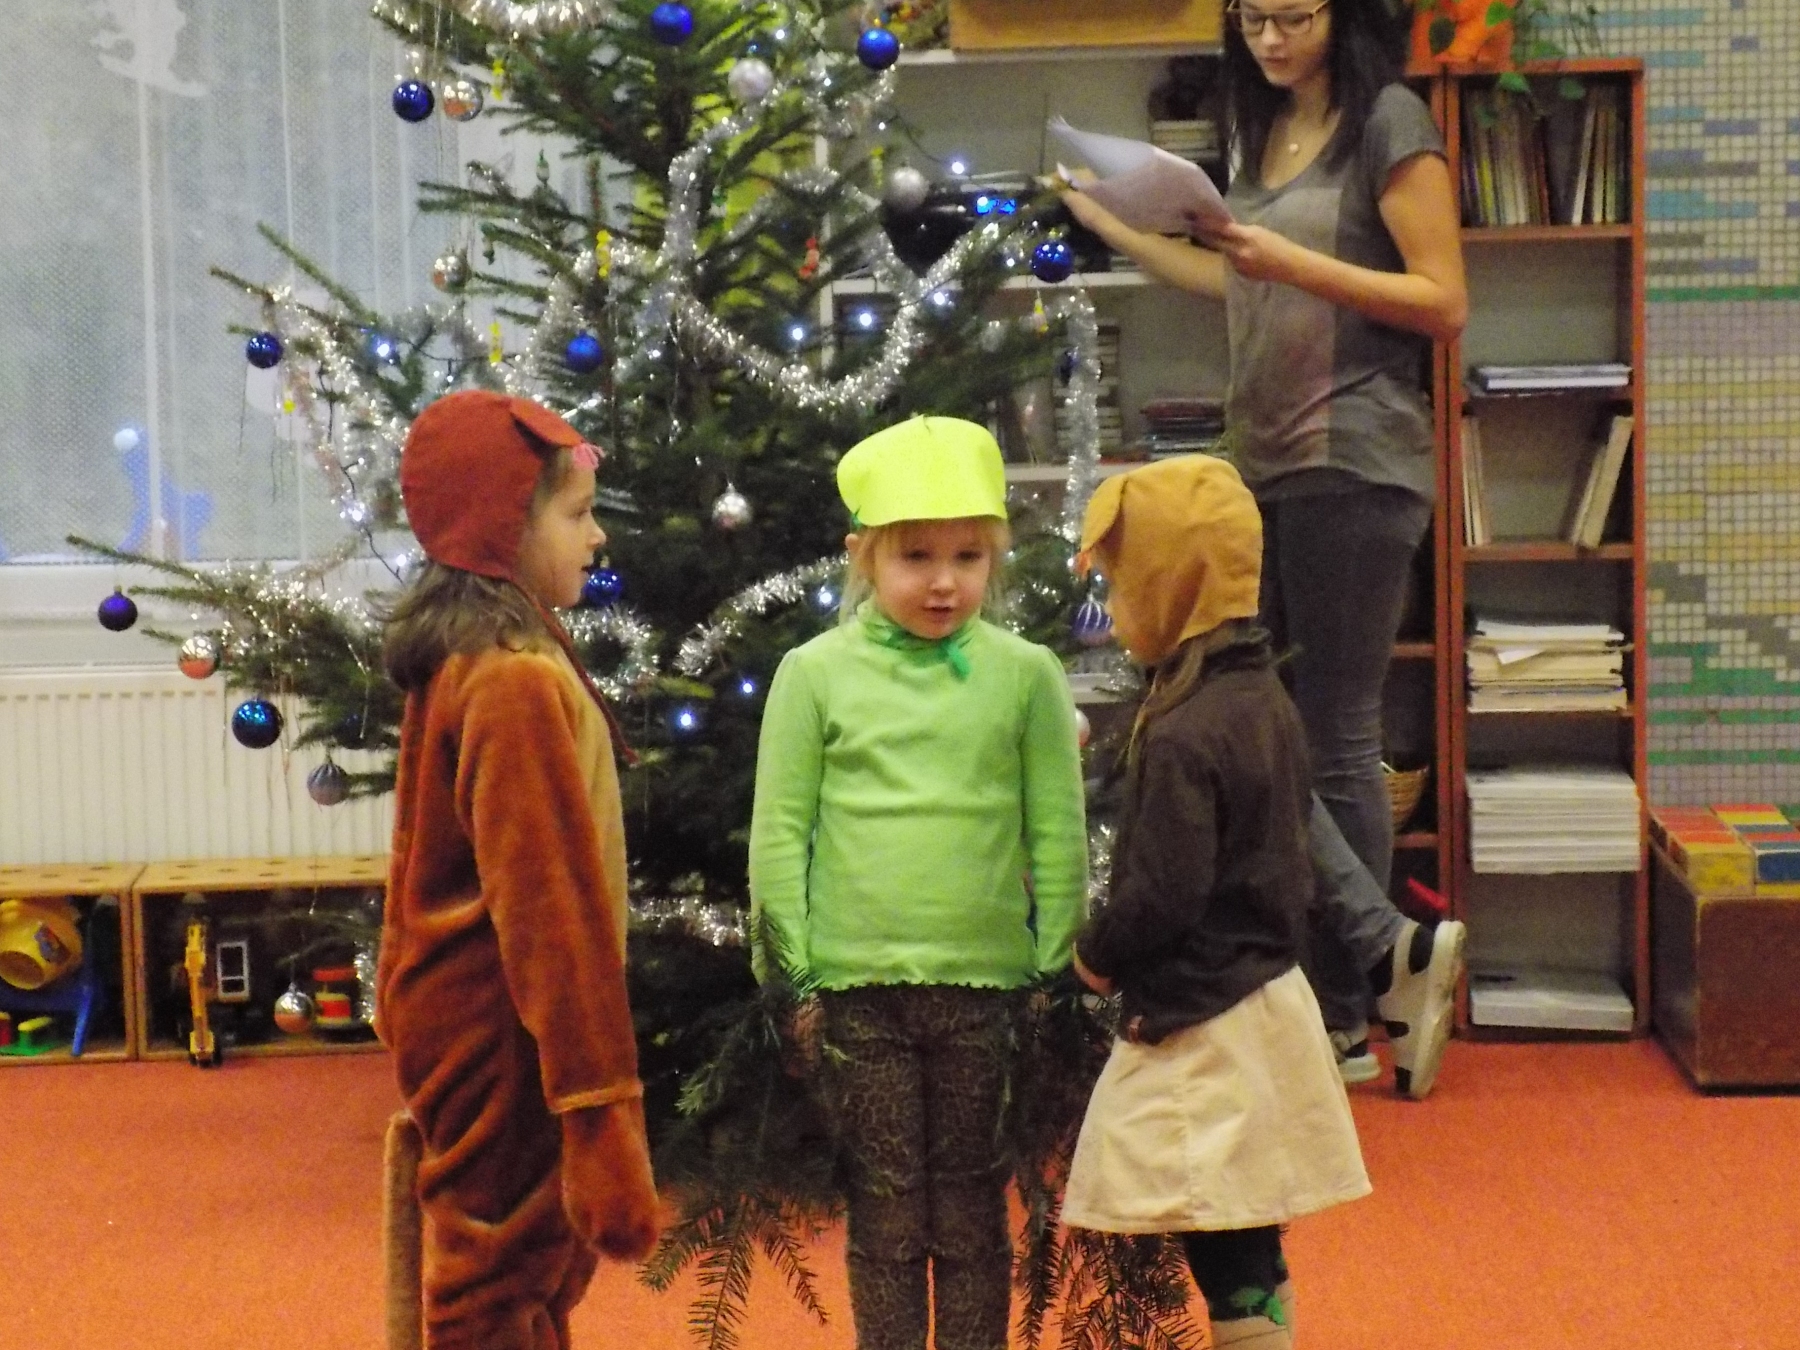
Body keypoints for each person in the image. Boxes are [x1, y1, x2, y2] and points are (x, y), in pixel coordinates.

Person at [1061, 0, 1468, 1098]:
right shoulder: (1263, 128)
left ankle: (1349, 1010)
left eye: (1295, 15)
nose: (1271, 38)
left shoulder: (1389, 118)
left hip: (1356, 458)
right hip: (1266, 462)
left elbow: (1443, 301)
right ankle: (1376, 962)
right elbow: (1239, 281)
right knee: (1263, 728)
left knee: (1329, 736)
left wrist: (1288, 259)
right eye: (1252, 18)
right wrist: (1113, 226)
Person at [748, 415, 1088, 1350]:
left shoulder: (1026, 676)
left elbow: (1057, 833)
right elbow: (779, 833)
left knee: (974, 1210)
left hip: (987, 991)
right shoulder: (812, 675)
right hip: (857, 995)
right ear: (862, 555)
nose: (945, 581)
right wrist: (788, 978)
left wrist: (1057, 975)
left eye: (969, 557)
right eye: (917, 557)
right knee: (888, 1211)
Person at [1061, 454, 1370, 1350]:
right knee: (1245, 1219)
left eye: (1122, 587)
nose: (1113, 609)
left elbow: (1162, 893)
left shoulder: (1184, 731)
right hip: (1265, 995)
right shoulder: (1261, 697)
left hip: (1204, 1017)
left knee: (1217, 1221)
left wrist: (1093, 958)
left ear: (1173, 585)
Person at [376, 389, 659, 1349]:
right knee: (497, 1278)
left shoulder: (481, 655)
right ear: (505, 529)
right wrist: (598, 1109)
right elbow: (549, 915)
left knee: (527, 1279)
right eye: (577, 514)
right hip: (505, 1028)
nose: (598, 536)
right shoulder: (510, 680)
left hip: (473, 1017)